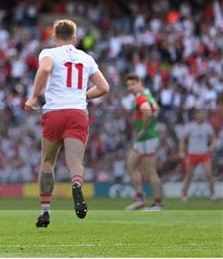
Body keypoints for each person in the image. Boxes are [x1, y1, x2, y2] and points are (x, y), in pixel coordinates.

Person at [25, 19, 109, 228]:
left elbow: (44, 69)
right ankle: (77, 184)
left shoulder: (49, 53)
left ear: (54, 37)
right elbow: (104, 87)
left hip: (54, 112)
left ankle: (45, 211)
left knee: (47, 162)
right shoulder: (86, 58)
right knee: (75, 162)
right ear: (75, 38)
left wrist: (34, 97)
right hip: (77, 112)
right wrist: (84, 94)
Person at [124, 75, 163, 211]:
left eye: (132, 84)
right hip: (143, 139)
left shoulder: (141, 97)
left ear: (139, 83)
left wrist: (144, 129)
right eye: (128, 85)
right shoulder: (146, 93)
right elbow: (156, 109)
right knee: (131, 165)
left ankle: (158, 204)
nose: (130, 88)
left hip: (146, 138)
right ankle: (140, 199)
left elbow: (148, 112)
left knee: (151, 172)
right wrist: (152, 124)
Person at [180, 110, 218, 201]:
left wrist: (212, 146)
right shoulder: (189, 126)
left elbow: (213, 138)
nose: (202, 115)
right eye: (200, 113)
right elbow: (182, 138)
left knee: (209, 173)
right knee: (189, 175)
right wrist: (181, 150)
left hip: (204, 153)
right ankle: (184, 193)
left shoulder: (207, 126)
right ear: (195, 115)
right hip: (192, 153)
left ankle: (213, 193)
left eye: (202, 113)